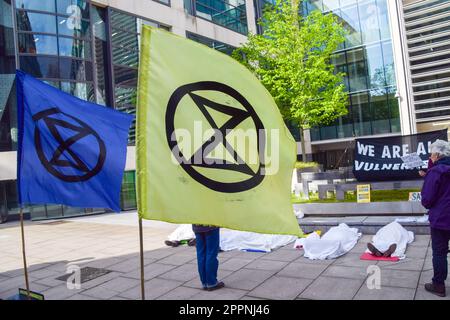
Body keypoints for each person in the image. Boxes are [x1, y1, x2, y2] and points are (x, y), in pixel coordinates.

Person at [421, 139, 450, 297]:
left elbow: (427, 199)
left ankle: (438, 285)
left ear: (438, 154)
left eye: (432, 154)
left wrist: (428, 178)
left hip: (441, 219)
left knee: (439, 253)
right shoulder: (435, 171)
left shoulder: (436, 172)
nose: (430, 156)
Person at [192, 224, 224, 291]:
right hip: (210, 225)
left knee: (201, 254)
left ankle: (204, 283)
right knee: (211, 253)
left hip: (196, 224)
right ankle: (211, 282)